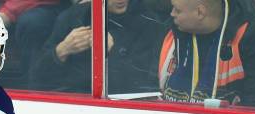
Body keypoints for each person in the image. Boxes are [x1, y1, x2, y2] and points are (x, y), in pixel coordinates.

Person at [160, 0, 255, 108]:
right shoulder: (166, 32)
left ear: (200, 12)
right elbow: (147, 92)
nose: (172, 14)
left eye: (177, 10)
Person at [30, 0, 167, 93]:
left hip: (119, 111)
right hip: (71, 102)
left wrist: (112, 54)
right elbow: (36, 79)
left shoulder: (148, 23)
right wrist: (61, 50)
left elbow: (143, 88)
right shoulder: (74, 16)